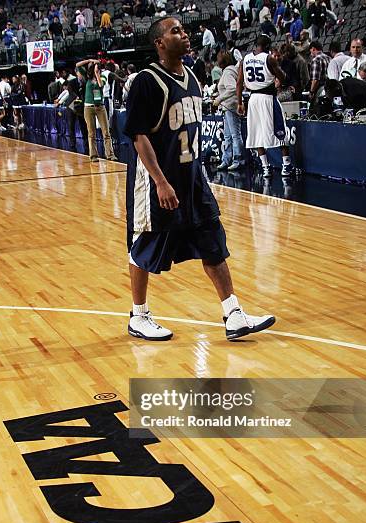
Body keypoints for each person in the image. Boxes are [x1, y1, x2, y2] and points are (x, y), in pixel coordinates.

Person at [123, 17, 275, 341]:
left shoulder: (191, 77)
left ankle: (233, 313)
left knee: (212, 240)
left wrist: (196, 176)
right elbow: (139, 136)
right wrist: (161, 182)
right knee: (145, 244)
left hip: (192, 177)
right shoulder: (146, 81)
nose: (184, 34)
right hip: (155, 180)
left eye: (183, 29)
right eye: (175, 31)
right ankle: (138, 315)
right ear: (159, 43)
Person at [237, 34, 292, 178]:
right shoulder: (269, 58)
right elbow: (283, 77)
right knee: (279, 130)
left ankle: (265, 167)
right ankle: (286, 165)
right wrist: (280, 79)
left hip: (252, 99)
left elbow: (238, 83)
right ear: (268, 47)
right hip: (268, 98)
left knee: (256, 133)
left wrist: (239, 103)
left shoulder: (245, 59)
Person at [76, 58, 116, 162]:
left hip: (100, 107)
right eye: (95, 66)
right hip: (88, 107)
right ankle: (93, 155)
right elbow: (77, 64)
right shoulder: (87, 77)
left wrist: (97, 73)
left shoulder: (102, 76)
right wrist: (88, 60)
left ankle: (110, 155)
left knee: (106, 132)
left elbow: (100, 85)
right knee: (91, 133)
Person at [214, 51, 245, 171]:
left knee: (235, 135)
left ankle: (238, 160)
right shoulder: (229, 71)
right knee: (227, 136)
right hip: (227, 106)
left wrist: (219, 98)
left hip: (231, 106)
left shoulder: (227, 72)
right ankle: (226, 160)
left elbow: (232, 88)